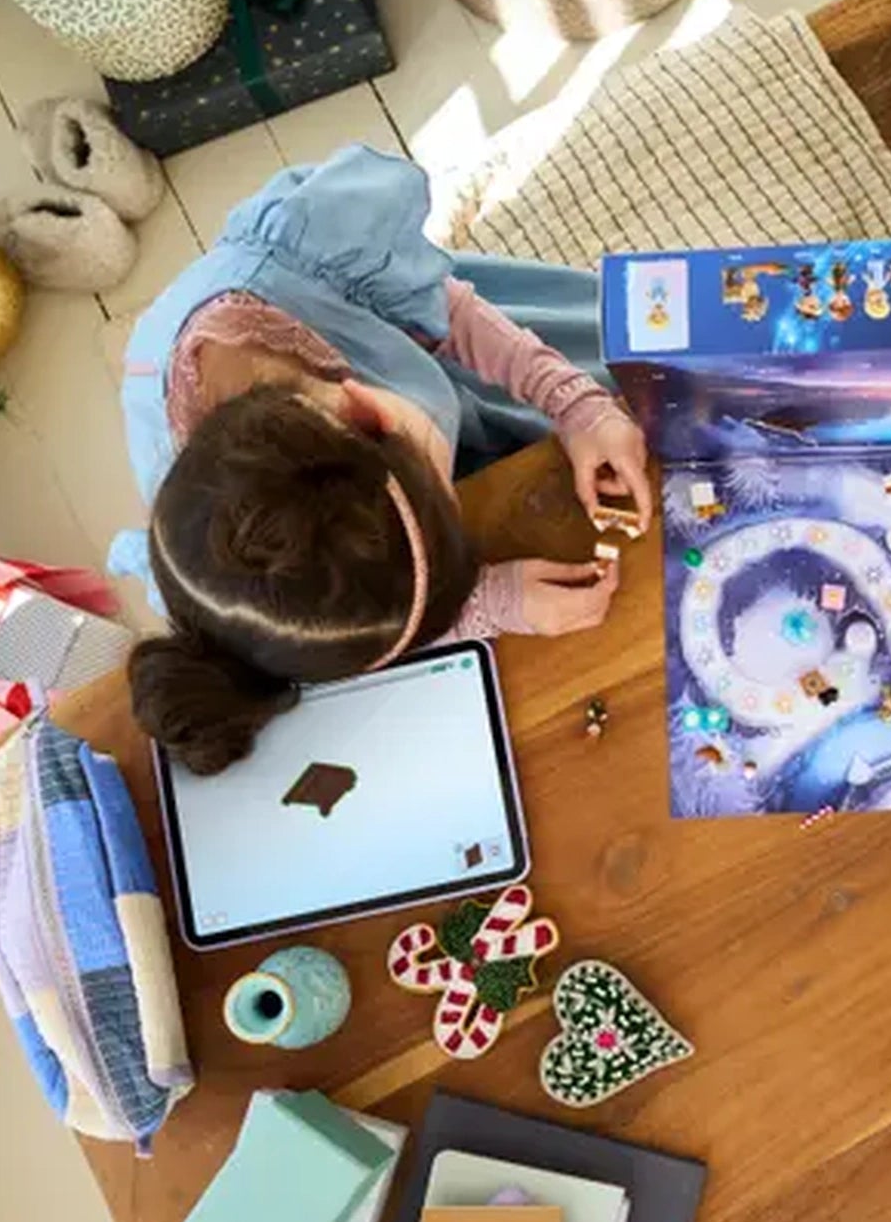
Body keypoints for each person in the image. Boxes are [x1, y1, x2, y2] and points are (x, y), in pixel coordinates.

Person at [108, 145, 651, 773]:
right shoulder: (213, 570)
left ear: (370, 408)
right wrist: (483, 603)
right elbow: (322, 634)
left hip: (439, 352)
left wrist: (575, 402)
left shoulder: (315, 254)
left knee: (635, 368)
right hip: (389, 490)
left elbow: (453, 314)